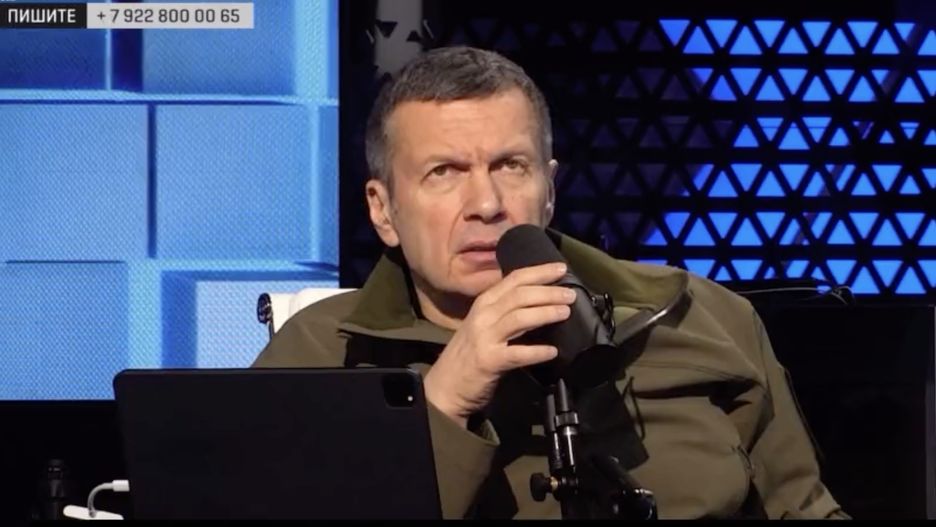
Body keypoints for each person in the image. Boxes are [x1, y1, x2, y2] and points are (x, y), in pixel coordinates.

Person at [252, 46, 848, 520]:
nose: (486, 203)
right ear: (383, 211)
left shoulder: (704, 316)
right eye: (444, 172)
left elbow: (805, 509)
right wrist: (443, 400)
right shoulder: (321, 353)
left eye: (511, 166)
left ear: (549, 190)